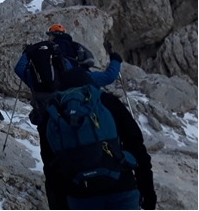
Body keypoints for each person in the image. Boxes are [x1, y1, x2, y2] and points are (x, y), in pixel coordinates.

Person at [14, 50, 123, 209]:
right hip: (86, 139)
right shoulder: (82, 78)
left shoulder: (39, 76)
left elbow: (19, 68)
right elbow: (108, 76)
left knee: (52, 170)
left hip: (48, 124)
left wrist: (28, 53)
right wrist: (116, 60)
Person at [41, 67, 156, 210]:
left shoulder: (52, 114)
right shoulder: (107, 101)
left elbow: (51, 167)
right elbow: (137, 148)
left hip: (79, 196)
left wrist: (59, 206)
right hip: (121, 190)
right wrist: (148, 192)